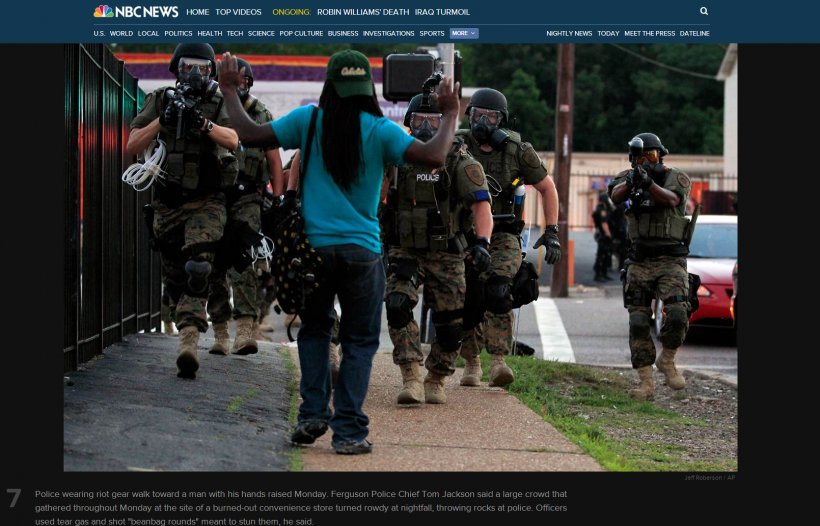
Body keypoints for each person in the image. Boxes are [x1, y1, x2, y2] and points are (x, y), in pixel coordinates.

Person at [217, 49, 463, 454]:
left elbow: (251, 135)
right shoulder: (381, 130)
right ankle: (348, 431)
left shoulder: (308, 121)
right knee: (359, 342)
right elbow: (434, 156)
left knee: (315, 332)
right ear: (367, 87)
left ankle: (312, 415)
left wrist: (228, 90)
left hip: (312, 251)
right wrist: (451, 113)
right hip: (363, 253)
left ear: (330, 84)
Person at [127, 43, 239, 379]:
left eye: (202, 68)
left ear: (211, 72)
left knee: (199, 264)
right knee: (176, 280)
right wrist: (163, 121)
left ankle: (189, 341)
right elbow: (132, 145)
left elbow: (233, 139)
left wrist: (202, 124)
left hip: (207, 201)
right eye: (188, 67)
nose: (194, 74)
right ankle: (186, 331)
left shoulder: (218, 102)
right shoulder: (160, 99)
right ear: (176, 69)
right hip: (169, 205)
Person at [383, 93, 493, 405]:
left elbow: (481, 206)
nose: (427, 127)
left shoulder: (460, 161)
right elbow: (377, 195)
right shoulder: (396, 158)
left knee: (449, 323)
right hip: (406, 250)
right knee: (396, 303)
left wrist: (483, 243)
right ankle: (410, 375)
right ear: (409, 122)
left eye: (435, 121)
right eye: (420, 121)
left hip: (447, 253)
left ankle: (437, 377)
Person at [456, 88, 561, 388]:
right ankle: (472, 361)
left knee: (499, 289)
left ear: (501, 120)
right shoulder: (458, 145)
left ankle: (499, 362)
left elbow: (547, 188)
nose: (483, 123)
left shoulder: (518, 150)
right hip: (466, 233)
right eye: (478, 115)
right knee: (468, 295)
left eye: (491, 117)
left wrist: (551, 232)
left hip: (504, 234)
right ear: (469, 116)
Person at [206, 57, 284, 356]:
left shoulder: (260, 114)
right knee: (212, 263)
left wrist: (278, 201)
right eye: (231, 80)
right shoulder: (213, 108)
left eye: (241, 80)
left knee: (245, 261)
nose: (237, 86)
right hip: (213, 197)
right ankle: (221, 330)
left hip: (248, 197)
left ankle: (246, 329)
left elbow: (274, 161)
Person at [608, 132, 693, 400]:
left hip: (670, 259)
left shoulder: (675, 177)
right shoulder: (627, 176)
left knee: (678, 312)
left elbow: (671, 200)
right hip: (640, 259)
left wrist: (649, 184)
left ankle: (667, 359)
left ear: (661, 156)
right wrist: (635, 180)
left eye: (651, 157)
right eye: (640, 158)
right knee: (638, 321)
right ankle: (645, 382)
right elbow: (616, 196)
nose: (645, 162)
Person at [592, 191, 614, 282]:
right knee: (601, 255)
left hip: (602, 234)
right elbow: (603, 223)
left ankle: (604, 274)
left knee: (606, 254)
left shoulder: (602, 208)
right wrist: (608, 234)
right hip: (603, 235)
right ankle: (598, 275)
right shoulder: (601, 210)